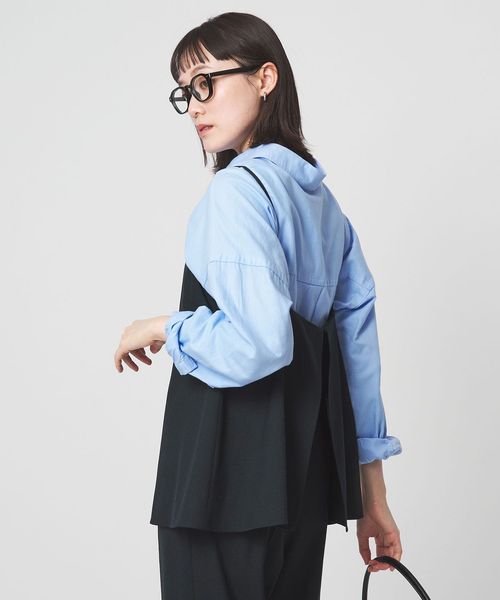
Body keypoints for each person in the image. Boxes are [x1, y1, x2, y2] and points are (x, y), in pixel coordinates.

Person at [114, 11, 403, 600]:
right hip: (302, 488)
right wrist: (373, 496)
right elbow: (357, 354)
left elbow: (261, 342)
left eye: (206, 83)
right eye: (185, 92)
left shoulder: (236, 192)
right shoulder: (325, 208)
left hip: (220, 483)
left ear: (265, 78)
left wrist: (163, 326)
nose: (194, 106)